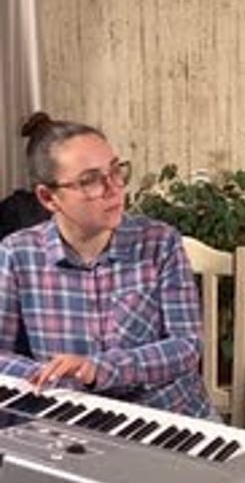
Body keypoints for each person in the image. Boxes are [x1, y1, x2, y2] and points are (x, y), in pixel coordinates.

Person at [0, 111, 216, 418]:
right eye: (89, 181)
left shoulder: (160, 241)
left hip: (169, 414)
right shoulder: (17, 254)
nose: (113, 188)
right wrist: (49, 374)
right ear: (49, 198)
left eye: (115, 171)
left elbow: (187, 346)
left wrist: (97, 369)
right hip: (75, 417)